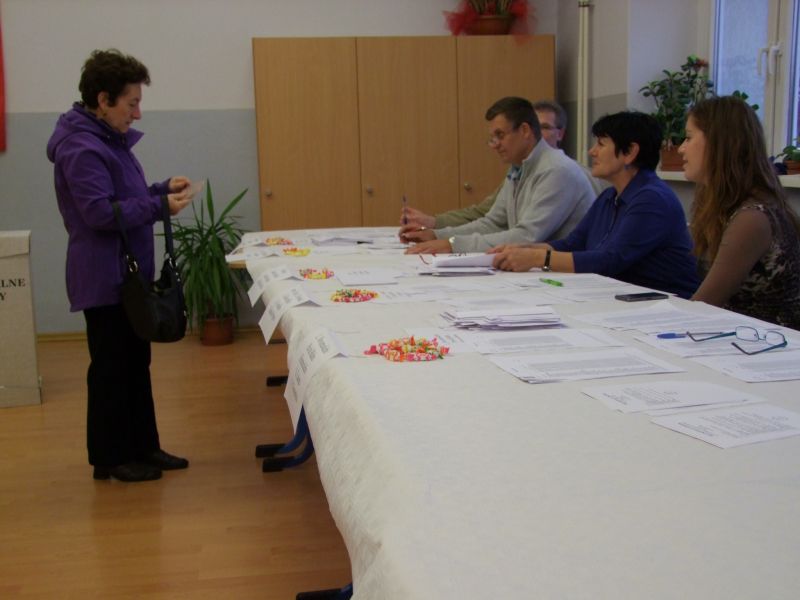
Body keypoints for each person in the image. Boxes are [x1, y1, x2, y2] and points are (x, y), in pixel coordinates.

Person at [47, 49, 196, 482]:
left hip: (126, 277)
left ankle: (143, 446)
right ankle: (111, 458)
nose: (137, 112)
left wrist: (160, 190)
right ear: (103, 100)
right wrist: (159, 207)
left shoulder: (107, 138)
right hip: (104, 277)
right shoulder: (81, 147)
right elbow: (99, 212)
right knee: (111, 369)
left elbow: (125, 196)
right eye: (131, 103)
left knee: (135, 363)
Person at [490, 111, 699, 299]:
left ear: (630, 152)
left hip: (668, 305)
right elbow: (573, 243)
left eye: (601, 144)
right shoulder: (610, 196)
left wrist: (537, 258)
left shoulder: (652, 199)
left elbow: (609, 261)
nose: (592, 151)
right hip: (621, 297)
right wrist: (522, 249)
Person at [405, 97, 595, 254]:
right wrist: (438, 235)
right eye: (492, 138)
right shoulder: (518, 168)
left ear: (525, 130)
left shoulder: (557, 170)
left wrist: (452, 244)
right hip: (537, 268)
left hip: (566, 275)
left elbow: (526, 236)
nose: (495, 144)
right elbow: (493, 223)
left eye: (500, 135)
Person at [680, 95, 800, 328]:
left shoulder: (753, 217)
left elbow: (704, 305)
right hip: (736, 336)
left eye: (689, 137)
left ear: (719, 143)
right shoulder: (722, 204)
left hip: (765, 343)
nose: (681, 148)